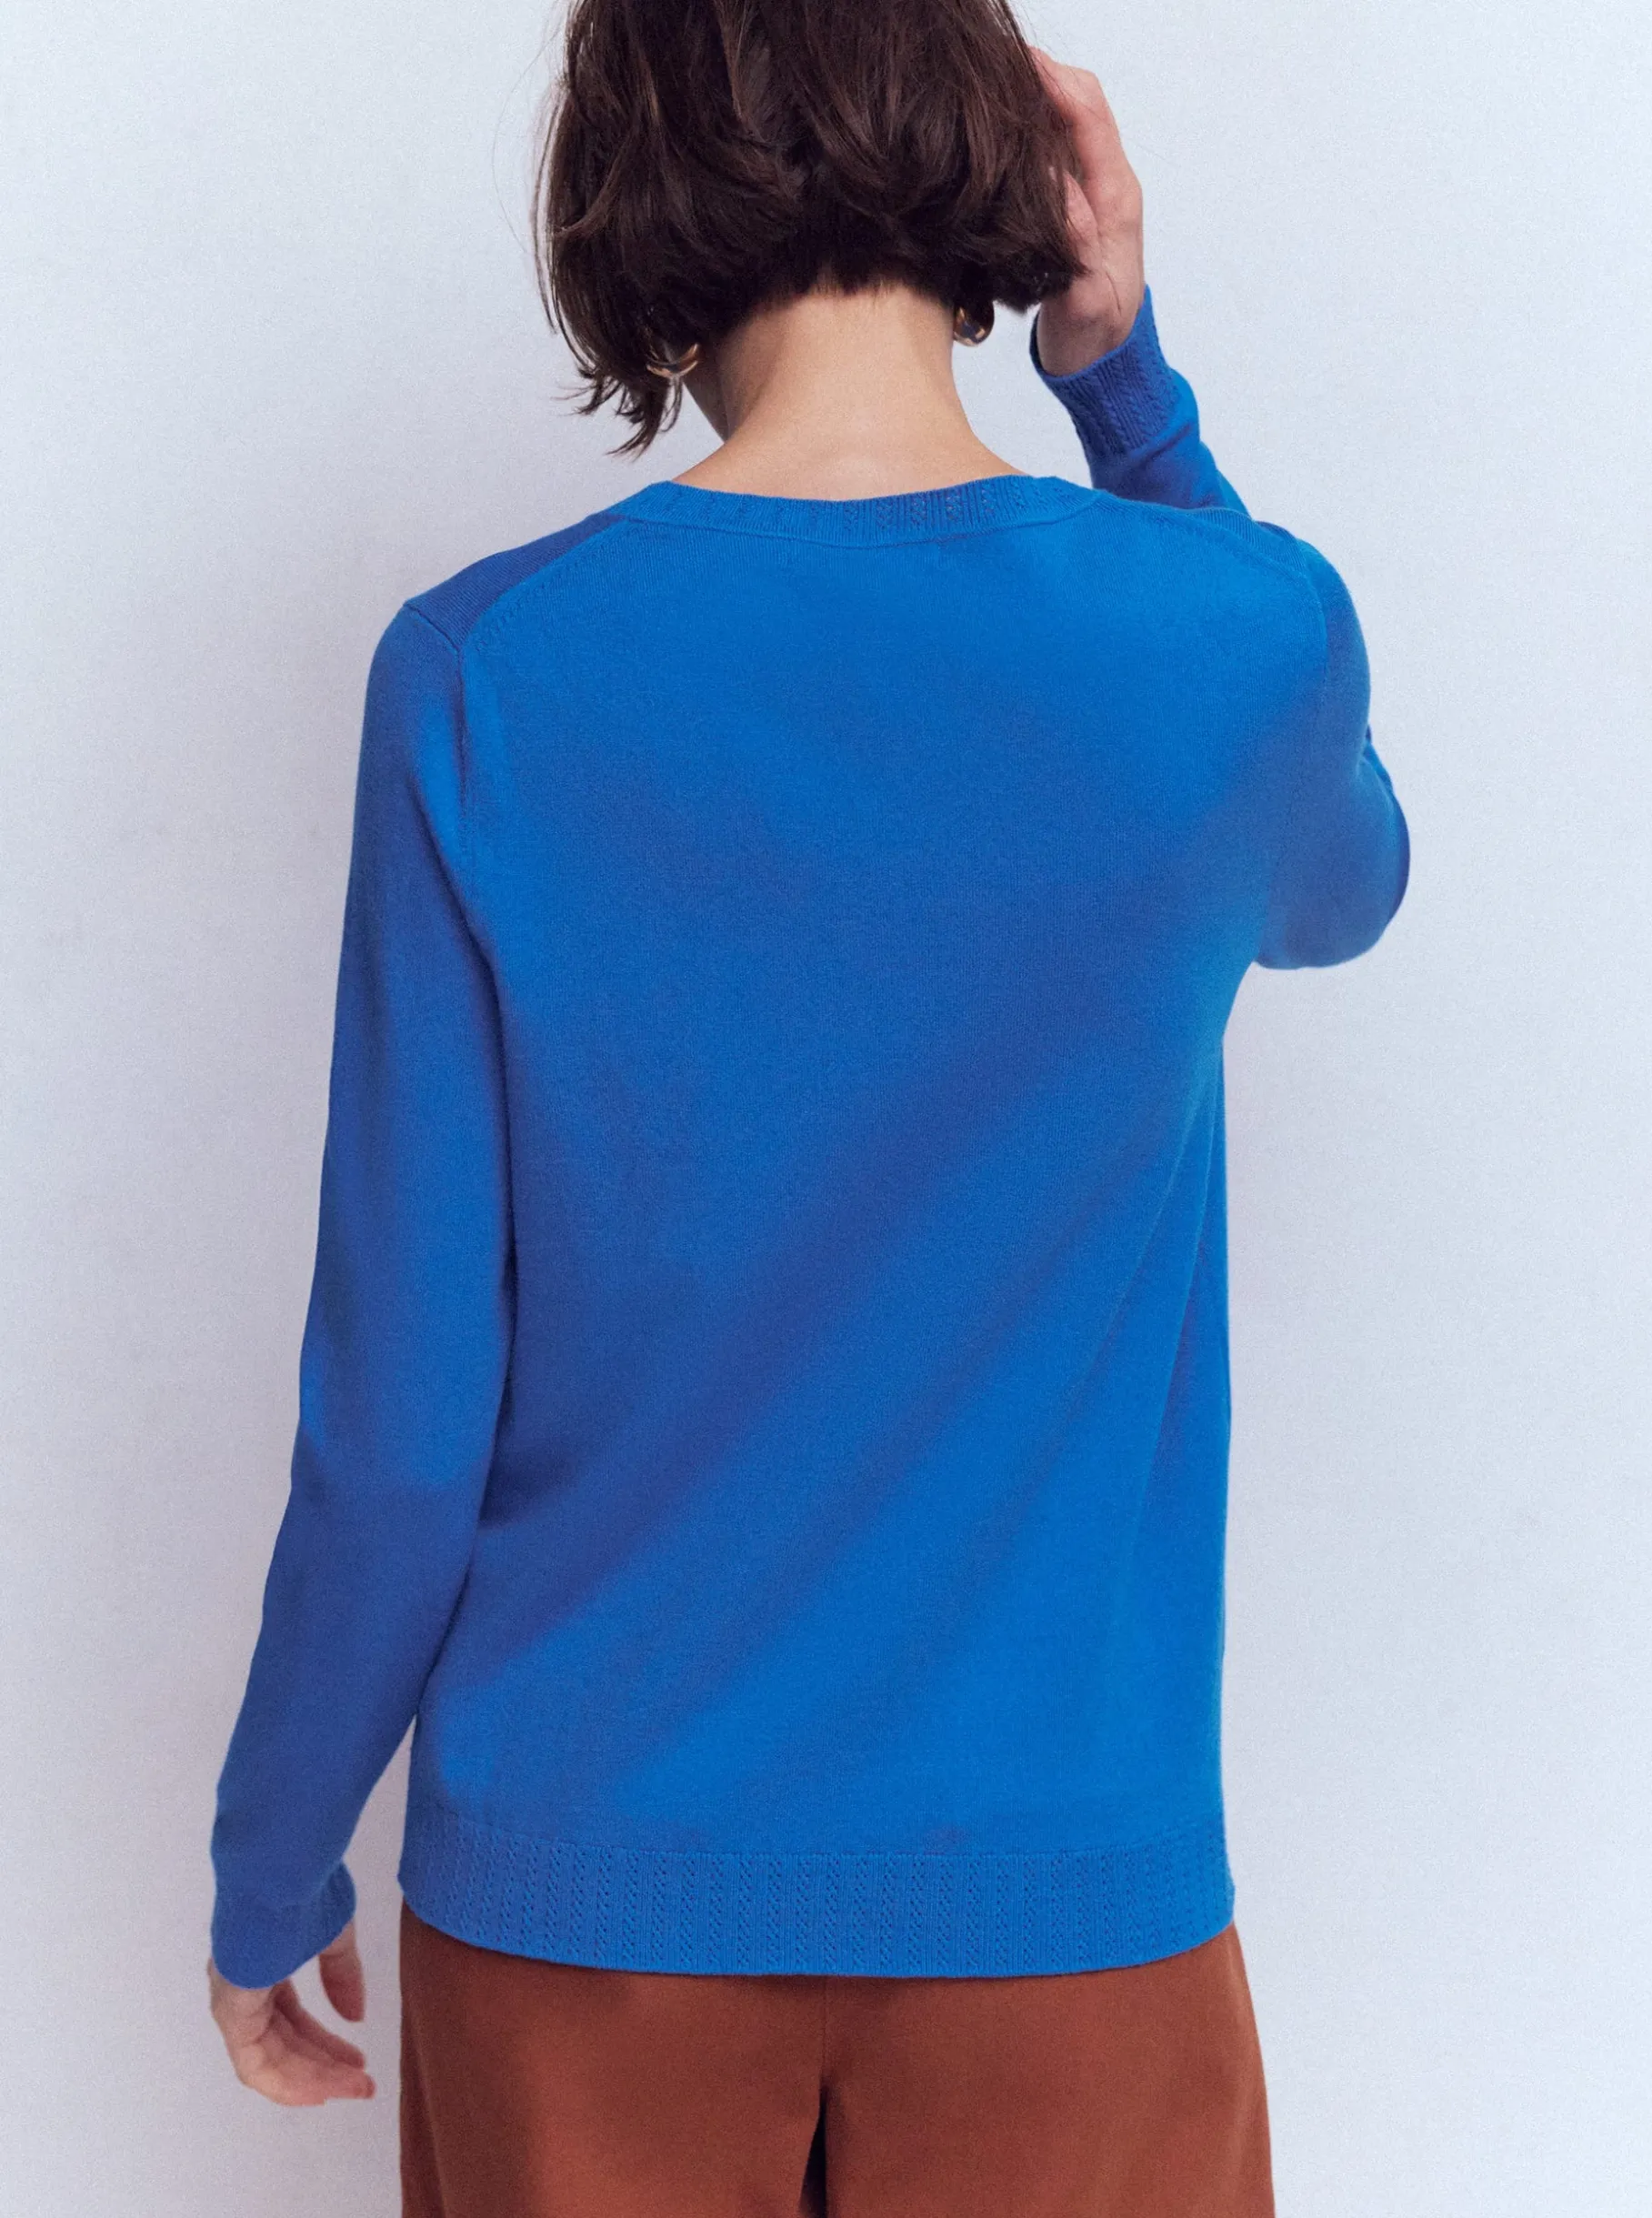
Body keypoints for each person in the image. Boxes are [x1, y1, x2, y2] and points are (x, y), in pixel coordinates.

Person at [206, 2, 1409, 2211]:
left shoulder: (480, 677)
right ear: (1017, 170)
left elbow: (400, 1416)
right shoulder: (1237, 639)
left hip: (585, 1913)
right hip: (1065, 1914)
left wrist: (272, 1855)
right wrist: (1122, 385)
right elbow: (1347, 884)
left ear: (624, 190)